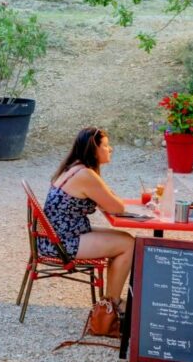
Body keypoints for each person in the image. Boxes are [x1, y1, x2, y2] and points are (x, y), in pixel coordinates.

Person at [38, 127, 135, 331]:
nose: (110, 149)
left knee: (125, 239)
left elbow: (107, 201)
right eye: (106, 146)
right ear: (94, 149)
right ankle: (112, 306)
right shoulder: (85, 174)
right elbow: (117, 207)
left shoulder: (73, 167)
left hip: (55, 236)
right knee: (128, 244)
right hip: (62, 243)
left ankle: (110, 302)